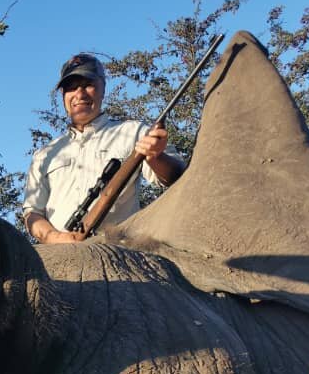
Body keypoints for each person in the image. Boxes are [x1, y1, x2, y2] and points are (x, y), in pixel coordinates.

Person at [22, 53, 186, 244]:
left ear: (103, 89)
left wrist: (155, 156)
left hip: (118, 253)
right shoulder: (45, 154)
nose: (79, 94)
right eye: (72, 87)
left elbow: (176, 176)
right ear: (63, 96)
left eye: (88, 85)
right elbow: (32, 213)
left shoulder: (134, 132)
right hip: (58, 258)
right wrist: (57, 238)